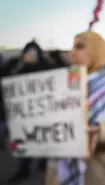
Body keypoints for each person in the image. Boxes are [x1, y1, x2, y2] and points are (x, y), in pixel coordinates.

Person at [45, 31, 105, 185]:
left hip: (99, 173)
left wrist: (104, 131)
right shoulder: (67, 84)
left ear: (97, 51)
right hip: (62, 172)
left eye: (80, 47)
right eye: (72, 47)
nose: (72, 53)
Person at [7, 40, 55, 183]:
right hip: (24, 115)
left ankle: (43, 164)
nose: (31, 56)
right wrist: (22, 63)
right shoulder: (18, 65)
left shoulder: (46, 66)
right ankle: (24, 169)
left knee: (45, 139)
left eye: (34, 53)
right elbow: (8, 77)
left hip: (44, 111)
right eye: (28, 52)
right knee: (24, 142)